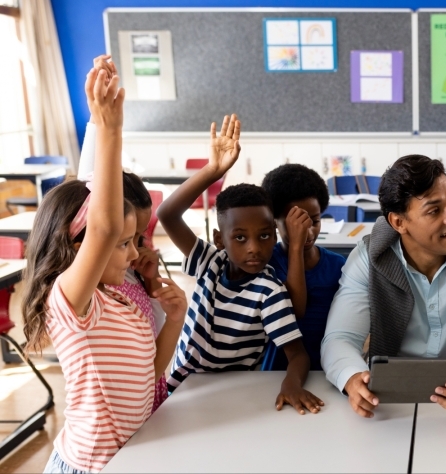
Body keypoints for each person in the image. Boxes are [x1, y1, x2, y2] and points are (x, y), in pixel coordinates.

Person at [23, 67, 186, 473]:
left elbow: (149, 376)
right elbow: (103, 224)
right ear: (78, 248)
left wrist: (175, 321)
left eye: (134, 241)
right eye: (122, 244)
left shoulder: (120, 300)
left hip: (130, 456)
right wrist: (108, 129)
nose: (134, 254)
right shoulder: (71, 304)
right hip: (90, 466)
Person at [321, 154, 446, 420]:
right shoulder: (369, 256)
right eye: (434, 210)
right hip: (390, 405)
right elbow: (340, 338)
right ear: (398, 222)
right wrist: (351, 377)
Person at [156, 114, 323, 415]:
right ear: (219, 240)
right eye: (240, 238)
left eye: (264, 236)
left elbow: (298, 354)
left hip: (234, 394)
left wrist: (292, 384)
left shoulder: (268, 290)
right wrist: (213, 170)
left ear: (274, 235)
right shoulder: (210, 261)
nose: (255, 248)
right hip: (178, 385)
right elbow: (167, 214)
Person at [77, 54, 170, 411]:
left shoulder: (131, 269)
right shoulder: (89, 288)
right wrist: (102, 124)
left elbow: (151, 364)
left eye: (141, 237)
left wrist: (154, 287)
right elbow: (95, 199)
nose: (138, 248)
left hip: (150, 404)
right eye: (125, 239)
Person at [259, 163, 346, 371]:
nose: (307, 233)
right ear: (274, 222)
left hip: (328, 370)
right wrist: (296, 248)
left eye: (314, 221)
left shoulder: (339, 265)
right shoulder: (266, 265)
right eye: (295, 225)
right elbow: (294, 311)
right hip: (277, 373)